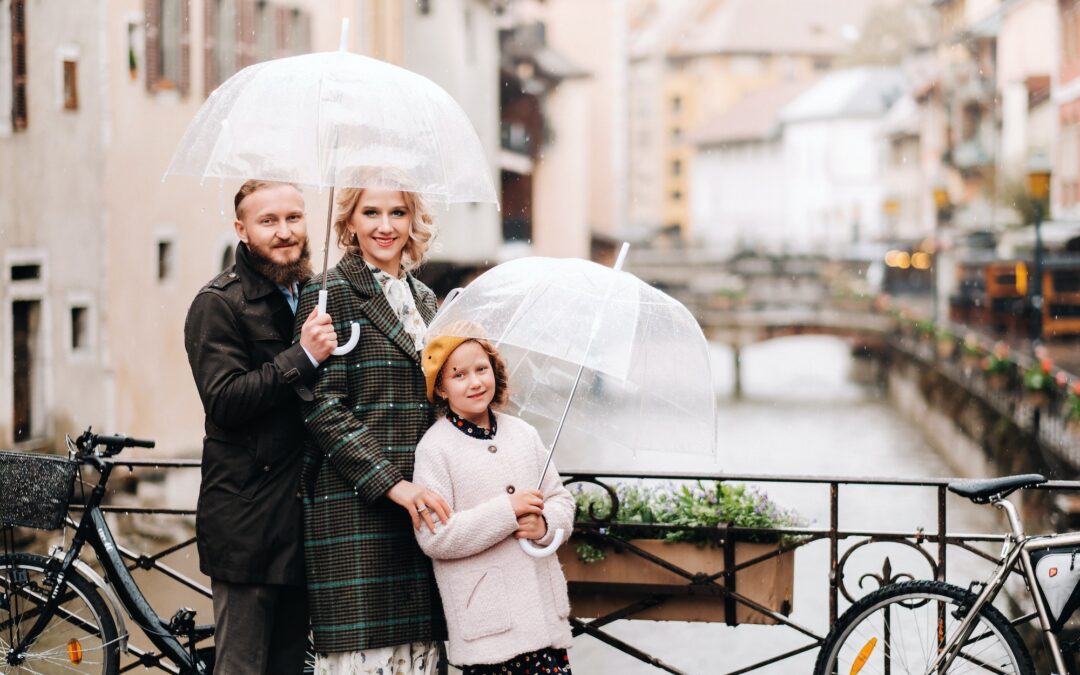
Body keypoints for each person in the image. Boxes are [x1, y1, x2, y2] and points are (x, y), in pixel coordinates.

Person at [184, 179, 338, 673]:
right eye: (268, 221)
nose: (284, 232)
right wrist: (303, 357)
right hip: (246, 523)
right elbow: (225, 400)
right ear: (242, 230)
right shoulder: (218, 303)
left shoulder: (312, 296)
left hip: (300, 520)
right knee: (242, 668)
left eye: (293, 218)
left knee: (291, 667)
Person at [296, 182, 450, 675]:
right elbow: (323, 408)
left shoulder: (427, 299)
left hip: (425, 506)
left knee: (420, 657)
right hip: (356, 508)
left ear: (413, 222)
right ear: (351, 222)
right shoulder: (328, 294)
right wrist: (392, 484)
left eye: (397, 213)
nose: (385, 226)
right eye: (372, 213)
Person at [413, 334, 575, 674]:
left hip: (545, 627)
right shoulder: (435, 448)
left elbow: (561, 500)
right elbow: (436, 537)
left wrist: (545, 527)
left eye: (481, 370)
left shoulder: (524, 433)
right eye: (459, 375)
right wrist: (508, 511)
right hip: (490, 633)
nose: (475, 382)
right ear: (441, 388)